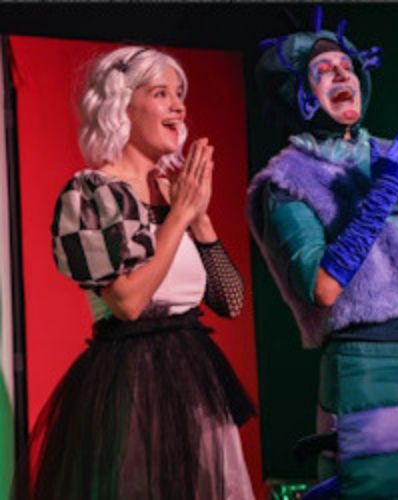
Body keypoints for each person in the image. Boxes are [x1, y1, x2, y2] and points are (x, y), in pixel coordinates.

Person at [247, 9, 398, 499]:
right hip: (368, 374)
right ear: (301, 94)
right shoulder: (287, 180)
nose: (342, 75)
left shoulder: (391, 154)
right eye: (324, 70)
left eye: (347, 66)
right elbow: (322, 288)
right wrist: (385, 190)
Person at [13, 46, 255, 500]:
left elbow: (231, 302)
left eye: (179, 94)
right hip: (133, 385)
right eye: (161, 94)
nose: (178, 106)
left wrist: (199, 218)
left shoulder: (174, 192)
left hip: (197, 383)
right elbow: (127, 302)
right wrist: (179, 217)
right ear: (121, 105)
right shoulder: (92, 194)